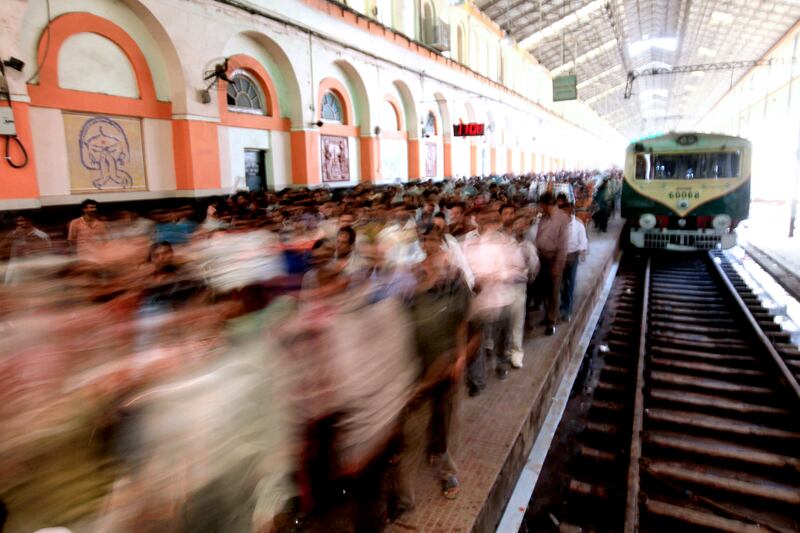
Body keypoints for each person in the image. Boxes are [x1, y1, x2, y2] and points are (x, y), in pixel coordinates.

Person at [535, 192, 570, 336]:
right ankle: (546, 316)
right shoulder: (543, 217)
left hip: (554, 259)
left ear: (545, 204)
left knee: (554, 292)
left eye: (541, 205)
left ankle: (551, 321)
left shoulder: (562, 218)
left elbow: (563, 244)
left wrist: (558, 265)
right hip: (541, 257)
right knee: (544, 289)